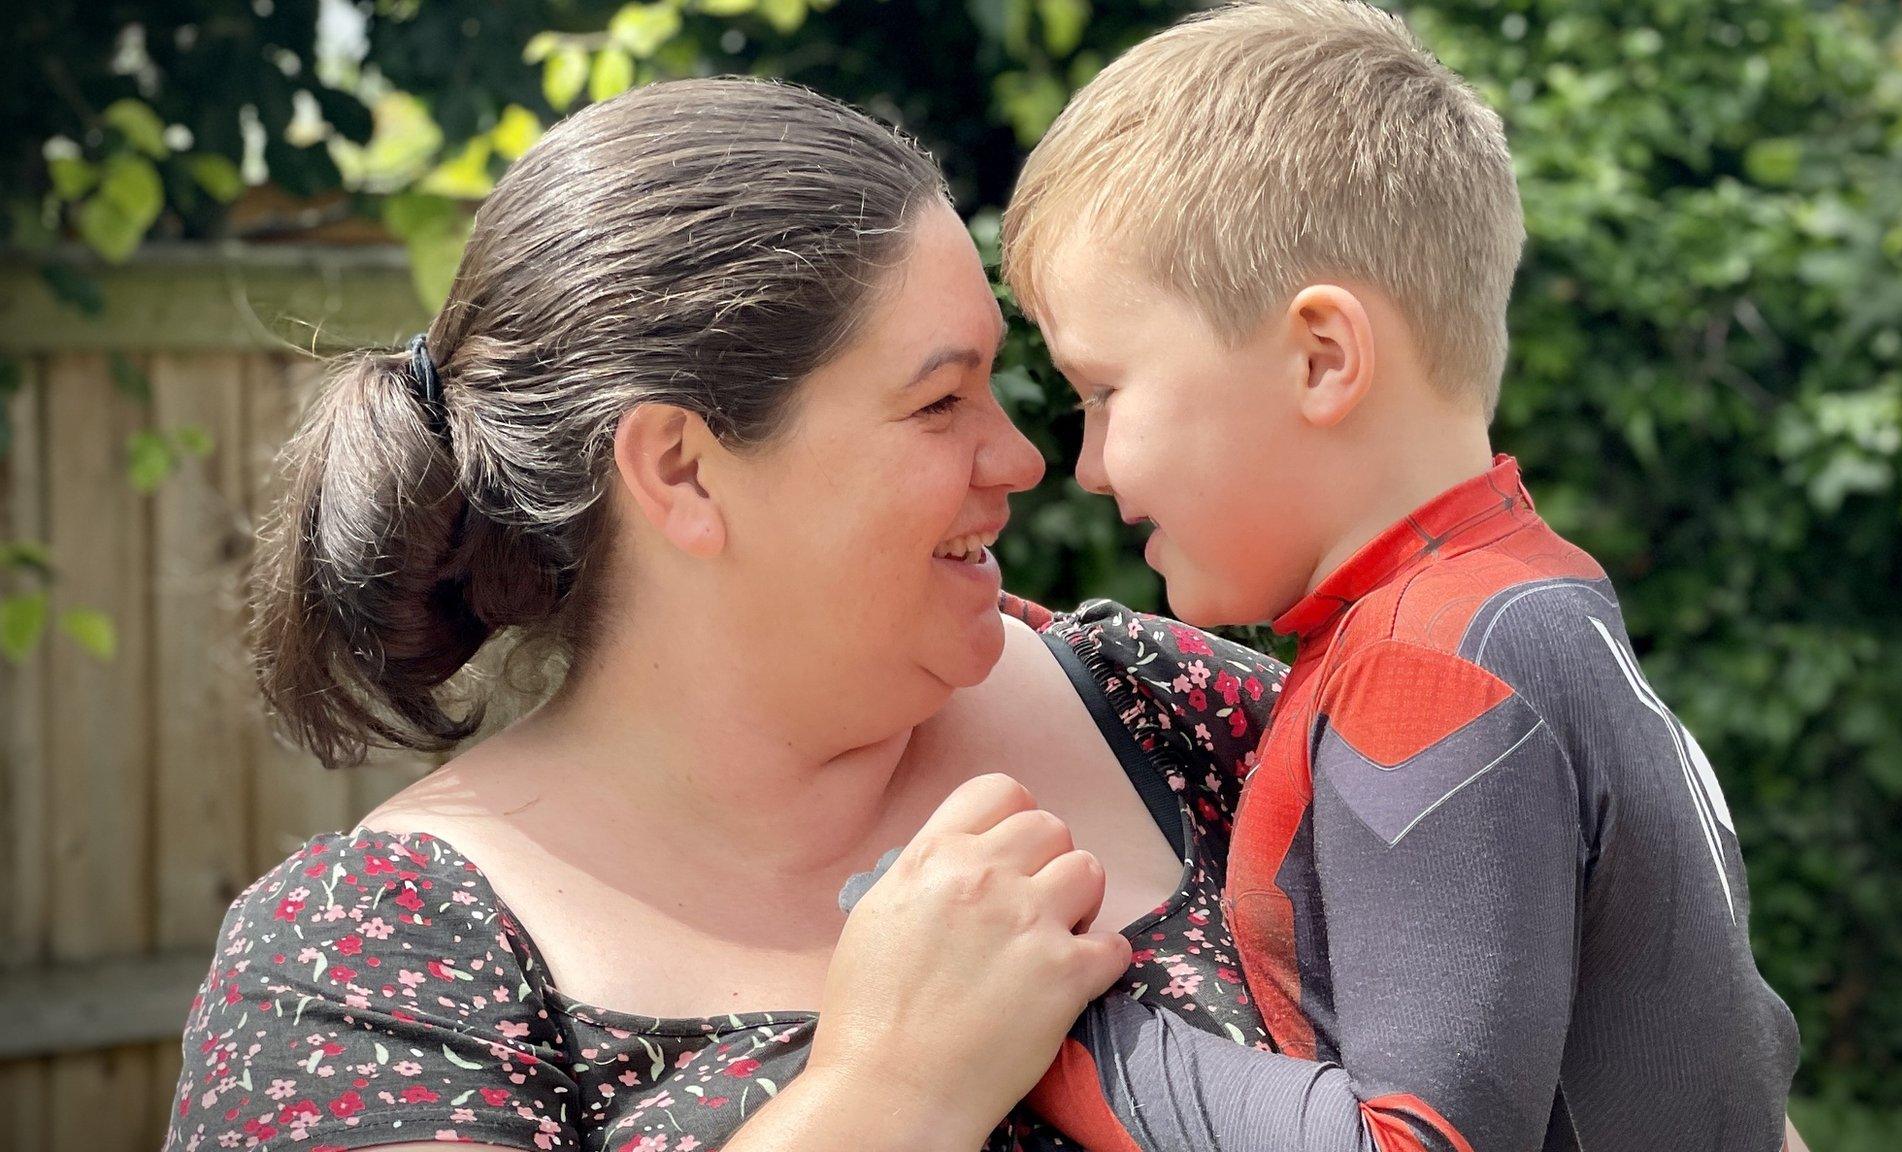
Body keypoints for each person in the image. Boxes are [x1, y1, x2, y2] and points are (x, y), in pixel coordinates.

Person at [162, 77, 1286, 1152]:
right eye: (939, 402)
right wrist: (891, 1091)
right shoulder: (368, 955)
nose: (1024, 459)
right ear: (683, 472)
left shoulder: (1169, 714)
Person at [999, 2, 1802, 1150]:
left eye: (1105, 392)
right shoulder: (1530, 601)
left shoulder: (1426, 666)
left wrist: (1056, 1027)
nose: (1084, 465)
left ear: (1321, 358)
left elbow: (1415, 1141)